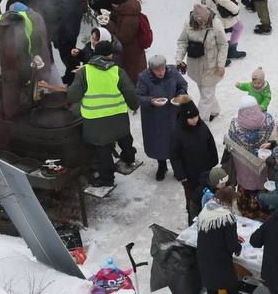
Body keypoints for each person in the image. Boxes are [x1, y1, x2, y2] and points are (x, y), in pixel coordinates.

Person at [66, 41, 139, 187]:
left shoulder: (84, 72)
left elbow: (73, 96)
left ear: (94, 53)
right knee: (124, 137)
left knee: (102, 148)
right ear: (111, 55)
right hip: (117, 114)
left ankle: (107, 178)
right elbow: (130, 91)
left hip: (95, 119)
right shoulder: (117, 71)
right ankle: (129, 158)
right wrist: (134, 105)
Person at [196, 187, 255, 294]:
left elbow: (213, 233)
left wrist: (232, 237)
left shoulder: (205, 211)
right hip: (220, 258)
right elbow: (231, 245)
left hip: (204, 254)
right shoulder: (226, 217)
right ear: (228, 201)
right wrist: (238, 248)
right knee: (232, 287)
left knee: (211, 285)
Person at [135, 56, 188, 181]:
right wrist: (151, 101)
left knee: (176, 141)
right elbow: (138, 95)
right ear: (151, 69)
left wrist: (180, 95)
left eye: (163, 69)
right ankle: (162, 166)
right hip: (154, 118)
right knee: (159, 142)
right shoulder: (144, 78)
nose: (161, 72)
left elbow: (183, 85)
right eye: (157, 70)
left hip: (174, 113)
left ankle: (177, 168)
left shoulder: (173, 72)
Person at [174, 3, 228, 122]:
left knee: (206, 96)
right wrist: (179, 59)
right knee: (205, 92)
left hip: (211, 67)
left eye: (203, 21)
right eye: (199, 22)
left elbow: (223, 45)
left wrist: (221, 65)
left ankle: (199, 122)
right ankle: (214, 110)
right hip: (195, 67)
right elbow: (182, 42)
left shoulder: (216, 24)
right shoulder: (189, 24)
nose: (202, 23)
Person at [169, 102, 218, 223]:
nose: (195, 119)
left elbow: (210, 144)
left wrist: (213, 162)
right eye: (191, 118)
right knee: (192, 201)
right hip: (189, 176)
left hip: (206, 172)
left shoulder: (202, 126)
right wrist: (182, 176)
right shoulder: (177, 133)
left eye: (196, 116)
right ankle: (192, 223)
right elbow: (174, 156)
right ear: (184, 118)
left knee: (207, 197)